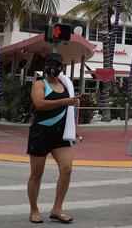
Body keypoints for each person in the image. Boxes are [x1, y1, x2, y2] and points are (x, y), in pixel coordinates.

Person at [27, 52, 79, 224]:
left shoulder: (66, 85)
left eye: (56, 64)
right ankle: (34, 210)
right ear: (44, 67)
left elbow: (68, 110)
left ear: (61, 68)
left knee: (67, 169)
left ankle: (57, 209)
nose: (53, 67)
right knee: (36, 174)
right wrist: (65, 102)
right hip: (40, 133)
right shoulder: (40, 84)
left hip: (60, 134)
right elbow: (40, 104)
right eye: (49, 64)